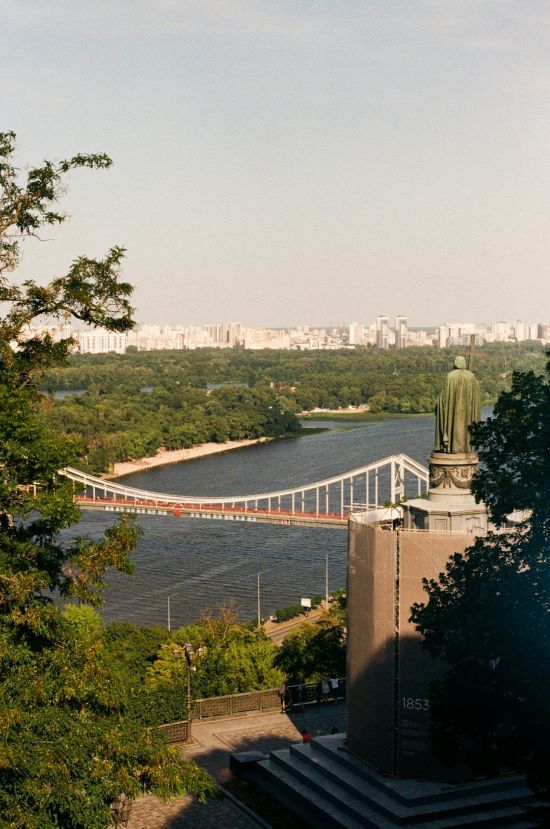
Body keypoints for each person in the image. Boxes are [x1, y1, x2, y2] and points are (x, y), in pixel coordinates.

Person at [434, 356, 481, 454]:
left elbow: (446, 396)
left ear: (455, 363)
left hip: (453, 409)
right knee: (466, 426)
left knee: (453, 424)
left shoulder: (450, 376)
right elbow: (475, 396)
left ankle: (451, 447)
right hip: (467, 410)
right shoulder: (471, 376)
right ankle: (466, 447)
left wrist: (439, 401)